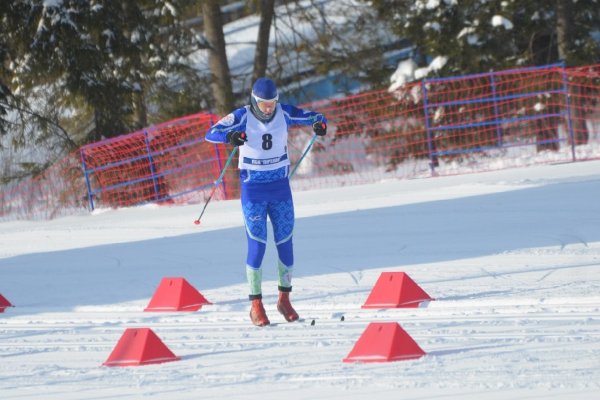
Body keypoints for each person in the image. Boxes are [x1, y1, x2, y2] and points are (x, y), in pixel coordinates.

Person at [205, 77, 327, 327]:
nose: (269, 108)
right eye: (264, 103)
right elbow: (211, 133)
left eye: (272, 103)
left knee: (285, 242)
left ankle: (284, 299)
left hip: (280, 188)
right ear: (254, 99)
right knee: (258, 245)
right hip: (254, 189)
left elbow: (313, 117)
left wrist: (320, 123)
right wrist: (231, 137)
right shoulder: (242, 115)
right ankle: (256, 306)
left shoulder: (284, 113)